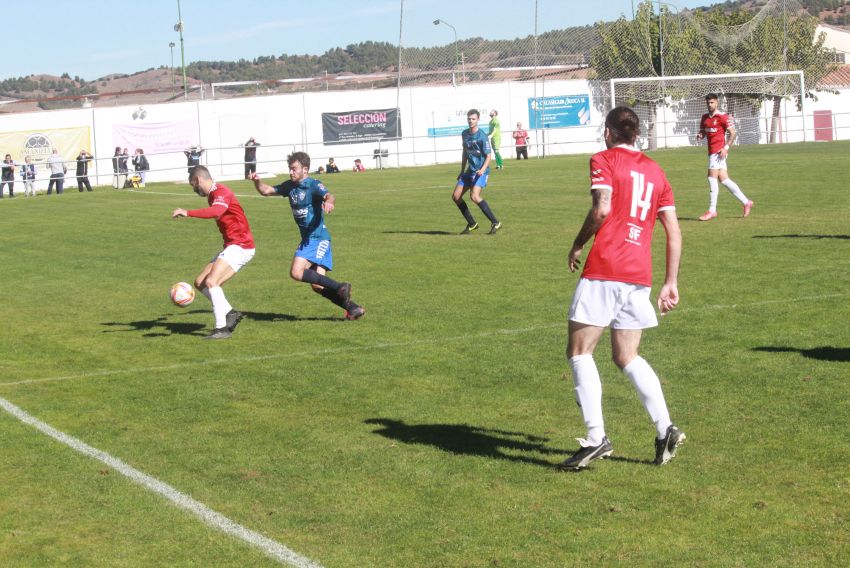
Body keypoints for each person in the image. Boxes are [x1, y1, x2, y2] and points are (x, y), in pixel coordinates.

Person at [559, 106, 685, 471]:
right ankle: (665, 429)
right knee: (626, 357)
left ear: (610, 132)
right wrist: (670, 282)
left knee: (580, 351)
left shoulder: (603, 159)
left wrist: (578, 243)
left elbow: (601, 209)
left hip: (605, 269)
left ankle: (596, 438)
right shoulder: (657, 171)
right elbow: (674, 232)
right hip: (638, 274)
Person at [250, 152, 366, 320]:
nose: (291, 172)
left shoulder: (313, 184)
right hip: (308, 239)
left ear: (305, 169)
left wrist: (329, 202)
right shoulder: (290, 186)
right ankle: (353, 308)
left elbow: (329, 195)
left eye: (294, 169)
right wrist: (257, 181)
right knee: (318, 286)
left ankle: (341, 286)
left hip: (318, 238)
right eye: (289, 168)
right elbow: (266, 191)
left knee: (296, 272)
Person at [171, 165, 255, 340]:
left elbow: (216, 211)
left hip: (242, 245)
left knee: (211, 281)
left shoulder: (220, 191)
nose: (194, 190)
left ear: (198, 180)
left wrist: (188, 212)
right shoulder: (212, 195)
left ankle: (221, 328)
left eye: (193, 186)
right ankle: (231, 313)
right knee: (200, 282)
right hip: (232, 245)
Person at [696, 93, 753, 221]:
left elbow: (733, 133)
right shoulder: (705, 117)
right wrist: (700, 135)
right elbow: (704, 132)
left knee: (711, 178)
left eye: (712, 102)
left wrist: (726, 148)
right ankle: (746, 202)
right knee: (724, 180)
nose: (710, 105)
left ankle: (712, 210)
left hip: (718, 153)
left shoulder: (722, 117)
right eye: (708, 103)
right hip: (712, 152)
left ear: (717, 103)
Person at [453, 109, 502, 235]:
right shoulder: (464, 134)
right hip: (469, 171)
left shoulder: (482, 136)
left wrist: (482, 169)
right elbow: (465, 152)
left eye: (473, 119)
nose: (470, 121)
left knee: (474, 196)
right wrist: (462, 170)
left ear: (478, 119)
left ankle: (496, 222)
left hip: (481, 171)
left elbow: (488, 156)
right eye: (469, 119)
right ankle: (472, 224)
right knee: (456, 197)